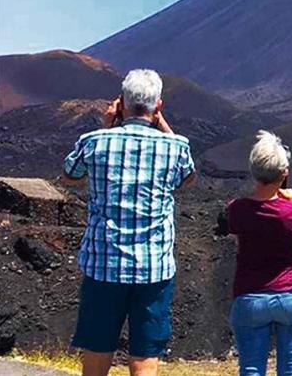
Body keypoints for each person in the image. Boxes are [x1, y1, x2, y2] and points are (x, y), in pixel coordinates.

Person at [60, 69, 195, 376]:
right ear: (158, 106)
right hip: (154, 269)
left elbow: (70, 175)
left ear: (120, 103)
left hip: (103, 266)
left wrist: (106, 126)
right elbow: (188, 178)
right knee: (145, 353)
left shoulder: (93, 142)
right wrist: (163, 126)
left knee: (97, 346)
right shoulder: (175, 147)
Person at [227, 131, 292, 376]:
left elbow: (240, 240)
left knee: (252, 368)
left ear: (254, 171)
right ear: (284, 173)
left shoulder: (237, 210)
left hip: (250, 297)